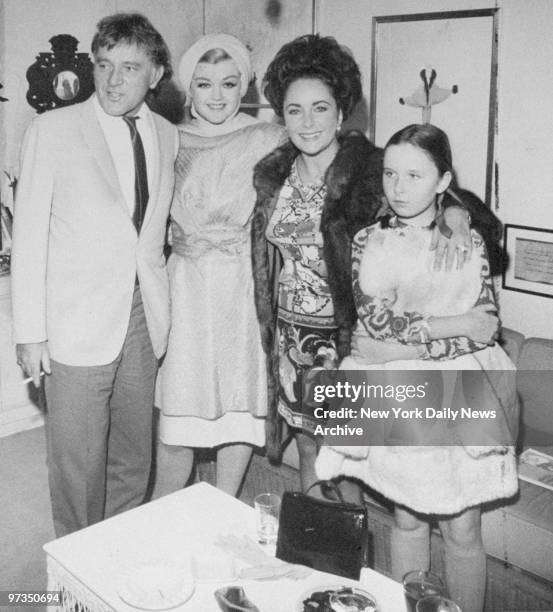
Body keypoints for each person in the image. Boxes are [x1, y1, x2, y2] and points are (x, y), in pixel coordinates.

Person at [251, 35, 498, 496]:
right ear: (281, 117)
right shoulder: (273, 176)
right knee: (308, 447)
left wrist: (456, 213)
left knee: (345, 459)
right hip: (290, 337)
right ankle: (316, 550)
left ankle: (353, 558)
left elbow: (444, 197)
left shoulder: (372, 171)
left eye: (320, 108)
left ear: (341, 111)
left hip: (349, 339)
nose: (307, 122)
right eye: (294, 110)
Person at [316, 123, 518, 612]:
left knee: (463, 527)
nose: (398, 188)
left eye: (414, 175)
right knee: (406, 516)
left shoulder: (468, 236)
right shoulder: (369, 240)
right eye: (390, 173)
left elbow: (486, 327)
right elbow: (376, 322)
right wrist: (450, 327)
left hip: (463, 394)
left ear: (443, 180)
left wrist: (413, 346)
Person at [11, 13, 179, 537]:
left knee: (134, 457)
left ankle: (118, 559)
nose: (111, 80)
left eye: (130, 68)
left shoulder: (169, 134)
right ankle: (74, 578)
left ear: (155, 75)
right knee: (78, 465)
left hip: (141, 315)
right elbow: (30, 237)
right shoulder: (53, 128)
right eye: (104, 65)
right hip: (74, 323)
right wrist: (29, 334)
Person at [153, 34, 285, 498]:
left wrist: (453, 205)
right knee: (179, 415)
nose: (216, 95)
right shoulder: (164, 137)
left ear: (244, 87)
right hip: (186, 285)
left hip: (241, 285)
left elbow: (345, 168)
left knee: (239, 408)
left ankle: (223, 505)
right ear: (188, 86)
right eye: (204, 83)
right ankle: (162, 513)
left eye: (228, 84)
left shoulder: (269, 136)